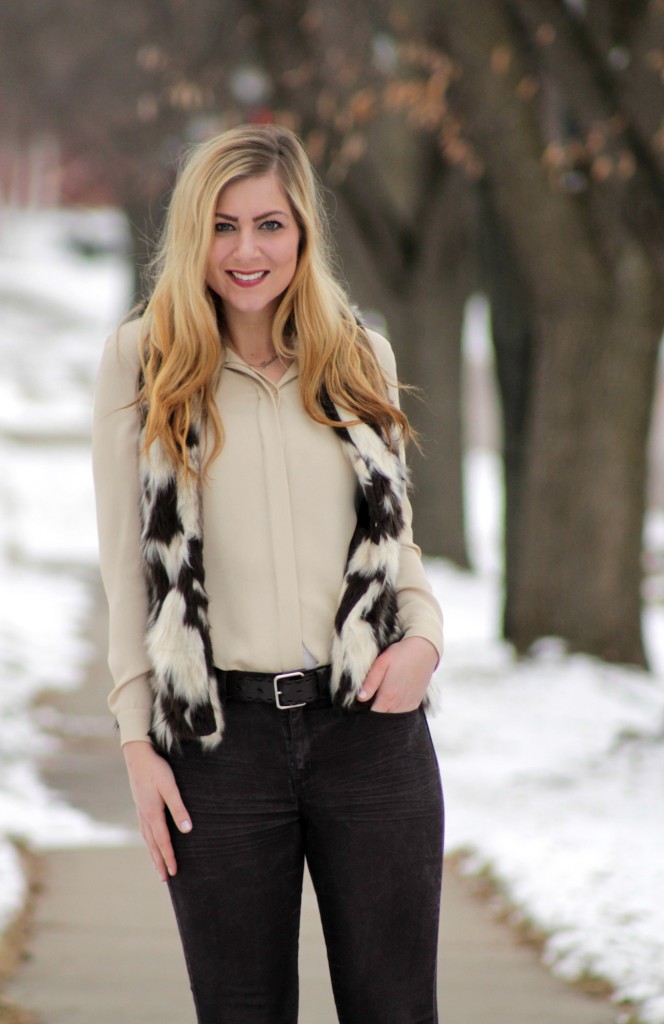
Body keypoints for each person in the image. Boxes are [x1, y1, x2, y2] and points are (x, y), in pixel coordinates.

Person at [92, 123, 444, 1024]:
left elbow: (396, 543)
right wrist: (138, 743)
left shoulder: (360, 356)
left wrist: (425, 643)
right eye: (222, 226)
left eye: (270, 224)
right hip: (217, 750)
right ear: (191, 234)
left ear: (303, 233)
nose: (247, 250)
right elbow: (126, 568)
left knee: (395, 1009)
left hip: (368, 737)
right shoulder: (146, 359)